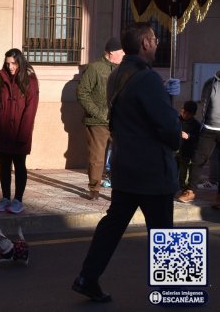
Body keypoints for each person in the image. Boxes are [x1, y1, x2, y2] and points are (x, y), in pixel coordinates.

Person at [72, 22, 181, 302]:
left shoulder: (118, 74)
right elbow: (166, 125)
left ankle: (88, 276)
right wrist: (172, 109)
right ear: (145, 43)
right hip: (152, 170)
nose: (157, 44)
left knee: (112, 226)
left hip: (125, 166)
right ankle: (173, 290)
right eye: (155, 39)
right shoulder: (148, 79)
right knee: (162, 232)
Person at [0, 48, 39, 215]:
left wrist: (23, 135)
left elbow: (31, 109)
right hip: (2, 132)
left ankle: (18, 200)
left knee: (20, 166)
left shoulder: (30, 81)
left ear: (20, 62)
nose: (10, 67)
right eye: (8, 63)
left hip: (18, 133)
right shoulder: (1, 79)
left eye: (13, 63)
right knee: (4, 166)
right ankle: (6, 197)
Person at [76, 37, 125, 200]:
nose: (124, 54)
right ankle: (94, 189)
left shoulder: (124, 69)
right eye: (122, 51)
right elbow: (82, 93)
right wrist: (98, 113)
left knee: (122, 156)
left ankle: (120, 188)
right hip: (98, 121)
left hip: (119, 121)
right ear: (111, 53)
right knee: (97, 157)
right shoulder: (94, 68)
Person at [178, 71, 220, 207]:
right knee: (197, 160)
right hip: (209, 128)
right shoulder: (210, 83)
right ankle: (191, 191)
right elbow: (205, 103)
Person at [176, 101, 201, 194]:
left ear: (193, 114)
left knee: (183, 172)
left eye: (188, 114)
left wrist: (189, 136)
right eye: (183, 112)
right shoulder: (176, 120)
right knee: (173, 170)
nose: (185, 115)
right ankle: (174, 186)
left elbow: (198, 139)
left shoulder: (196, 125)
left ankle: (183, 188)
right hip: (175, 151)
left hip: (187, 153)